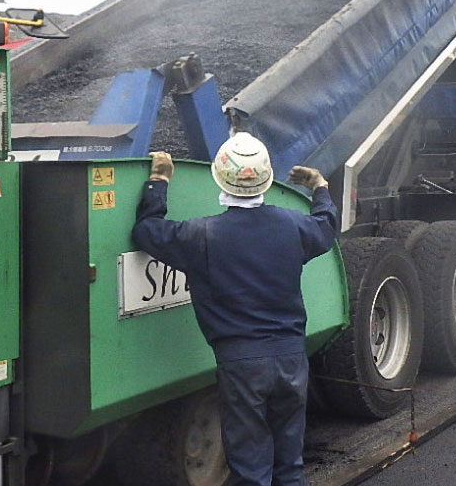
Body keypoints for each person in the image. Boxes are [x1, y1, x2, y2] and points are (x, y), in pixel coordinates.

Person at [131, 132, 337, 486]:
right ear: (266, 180)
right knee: (289, 466)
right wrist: (320, 188)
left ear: (220, 178)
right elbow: (326, 227)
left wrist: (158, 181)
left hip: (241, 365)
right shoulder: (294, 226)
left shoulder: (201, 236)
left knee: (251, 470)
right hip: (291, 358)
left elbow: (147, 232)